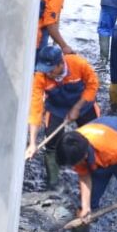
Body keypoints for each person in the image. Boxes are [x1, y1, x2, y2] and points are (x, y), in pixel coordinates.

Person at [26, 45, 100, 186]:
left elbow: (93, 85)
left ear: (61, 63)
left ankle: (95, 172)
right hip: (56, 107)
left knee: (93, 139)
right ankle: (53, 183)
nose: (48, 74)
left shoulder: (78, 64)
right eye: (45, 70)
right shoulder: (40, 76)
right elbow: (35, 108)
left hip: (84, 105)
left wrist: (77, 107)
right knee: (51, 144)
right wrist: (33, 143)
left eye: (51, 70)